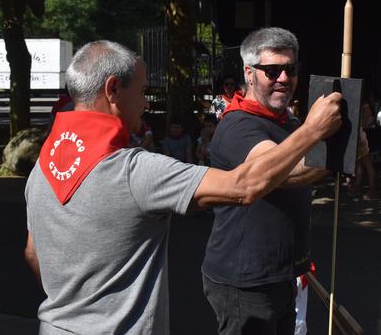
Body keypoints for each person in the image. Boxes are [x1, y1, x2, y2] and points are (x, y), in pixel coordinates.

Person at [23, 40, 343, 334]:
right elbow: (244, 185)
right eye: (142, 91)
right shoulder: (135, 171)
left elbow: (33, 254)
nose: (146, 104)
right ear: (112, 89)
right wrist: (312, 130)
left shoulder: (42, 170)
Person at [202, 27, 334, 335]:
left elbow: (314, 164)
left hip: (282, 274)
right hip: (245, 282)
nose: (284, 79)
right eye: (272, 71)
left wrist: (348, 148)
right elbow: (286, 173)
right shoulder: (237, 125)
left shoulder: (289, 122)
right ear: (249, 73)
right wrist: (318, 135)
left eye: (290, 69)